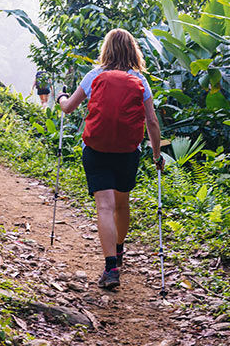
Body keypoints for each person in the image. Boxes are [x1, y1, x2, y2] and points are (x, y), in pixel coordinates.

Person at [57, 28, 165, 290]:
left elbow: (69, 107)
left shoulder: (94, 75)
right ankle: (118, 250)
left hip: (96, 150)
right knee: (121, 205)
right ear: (132, 50)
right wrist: (156, 153)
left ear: (106, 49)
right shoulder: (139, 79)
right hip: (128, 152)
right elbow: (151, 120)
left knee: (104, 207)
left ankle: (111, 268)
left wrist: (60, 97)